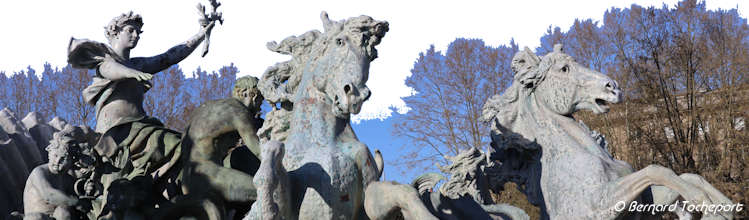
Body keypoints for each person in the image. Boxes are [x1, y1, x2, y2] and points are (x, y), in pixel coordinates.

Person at [66, 10, 218, 217]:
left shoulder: (137, 64)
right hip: (118, 132)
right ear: (116, 32)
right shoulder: (104, 61)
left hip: (142, 127)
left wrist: (201, 33)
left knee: (179, 143)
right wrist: (133, 74)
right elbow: (113, 70)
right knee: (170, 142)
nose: (136, 35)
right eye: (131, 30)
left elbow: (169, 57)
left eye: (138, 32)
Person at [180, 76, 264, 218]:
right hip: (210, 177)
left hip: (187, 180)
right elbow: (259, 150)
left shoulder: (205, 108)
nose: (259, 108)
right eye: (259, 101)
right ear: (245, 93)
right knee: (268, 192)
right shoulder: (238, 111)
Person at [22, 126, 89, 220]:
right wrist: (76, 202)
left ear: (71, 162)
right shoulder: (39, 172)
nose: (57, 161)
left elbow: (77, 192)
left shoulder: (67, 178)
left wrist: (86, 187)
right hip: (37, 217)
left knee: (64, 212)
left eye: (63, 159)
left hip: (56, 217)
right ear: (49, 152)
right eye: (55, 155)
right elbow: (49, 195)